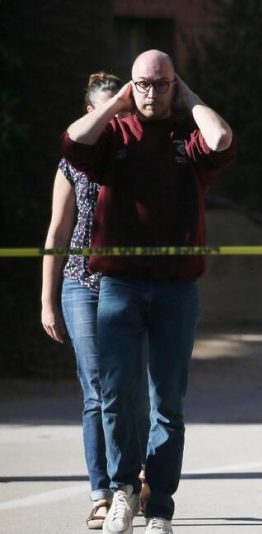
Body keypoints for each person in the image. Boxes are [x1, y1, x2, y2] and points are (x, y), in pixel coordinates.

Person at [59, 49, 235, 534]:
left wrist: (192, 98)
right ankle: (122, 491)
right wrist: (117, 102)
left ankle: (160, 507)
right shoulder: (112, 134)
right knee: (116, 395)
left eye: (161, 84)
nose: (151, 93)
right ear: (130, 86)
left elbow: (221, 140)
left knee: (168, 403)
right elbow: (74, 139)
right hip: (120, 285)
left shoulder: (187, 136)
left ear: (175, 86)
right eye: (142, 84)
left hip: (176, 290)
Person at [42, 72, 148, 530]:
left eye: (123, 111)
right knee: (96, 390)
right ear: (90, 113)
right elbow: (58, 233)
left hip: (130, 284)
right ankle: (102, 492)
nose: (116, 119)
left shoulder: (141, 159)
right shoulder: (72, 165)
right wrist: (47, 300)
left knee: (130, 388)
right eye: (108, 110)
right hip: (80, 284)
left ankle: (135, 481)